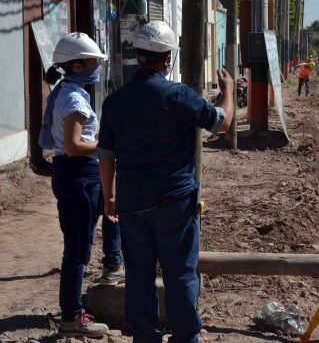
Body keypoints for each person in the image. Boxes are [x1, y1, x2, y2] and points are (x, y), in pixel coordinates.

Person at [97, 21, 234, 343]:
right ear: (167, 58)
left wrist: (109, 197)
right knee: (180, 273)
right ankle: (185, 337)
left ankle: (145, 336)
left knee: (139, 276)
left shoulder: (115, 102)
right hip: (175, 201)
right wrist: (227, 90)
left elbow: (106, 155)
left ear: (138, 55)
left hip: (131, 204)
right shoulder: (178, 96)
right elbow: (223, 123)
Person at [39, 32, 124, 338]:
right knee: (77, 249)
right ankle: (72, 317)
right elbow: (74, 146)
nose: (96, 67)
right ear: (76, 66)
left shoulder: (70, 91)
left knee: (113, 209)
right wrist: (106, 143)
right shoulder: (73, 98)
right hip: (77, 174)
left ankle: (113, 263)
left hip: (83, 174)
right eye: (92, 62)